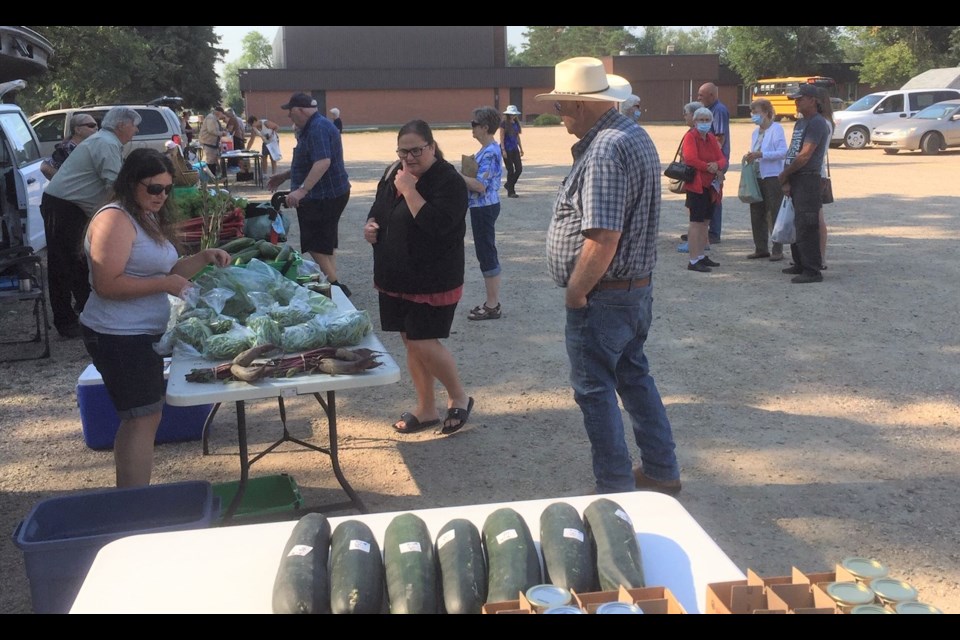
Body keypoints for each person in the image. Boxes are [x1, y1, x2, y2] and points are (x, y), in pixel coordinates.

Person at [538, 57, 681, 495]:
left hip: (605, 295)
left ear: (580, 105)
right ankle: (660, 470)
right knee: (634, 376)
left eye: (561, 106)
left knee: (595, 391)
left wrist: (576, 293)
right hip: (632, 291)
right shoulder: (632, 135)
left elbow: (603, 237)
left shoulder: (604, 149)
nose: (559, 116)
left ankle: (615, 488)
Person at [79, 148, 231, 487]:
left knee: (142, 418)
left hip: (139, 333)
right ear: (131, 183)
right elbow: (107, 284)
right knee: (141, 418)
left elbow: (169, 269)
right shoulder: (114, 219)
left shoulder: (144, 215)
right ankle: (134, 504)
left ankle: (130, 498)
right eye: (154, 188)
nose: (161, 196)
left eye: (167, 189)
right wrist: (165, 284)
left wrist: (205, 257)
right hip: (116, 335)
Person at [363, 120, 473, 436]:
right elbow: (378, 209)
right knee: (410, 342)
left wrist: (410, 190)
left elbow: (438, 226)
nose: (409, 158)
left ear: (432, 147)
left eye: (416, 151)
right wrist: (371, 226)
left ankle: (459, 396)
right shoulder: (392, 172)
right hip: (395, 275)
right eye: (403, 151)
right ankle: (426, 408)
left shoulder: (448, 181)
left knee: (424, 341)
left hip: (433, 278)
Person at [41, 106, 141, 338]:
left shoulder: (107, 141)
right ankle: (65, 321)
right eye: (134, 125)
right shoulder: (105, 143)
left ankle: (85, 314)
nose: (136, 130)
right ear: (121, 125)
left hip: (74, 207)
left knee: (80, 262)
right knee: (62, 264)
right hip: (64, 206)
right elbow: (116, 185)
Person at [268, 93, 352, 296]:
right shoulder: (314, 126)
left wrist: (301, 190)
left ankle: (336, 286)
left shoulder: (317, 128)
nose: (289, 116)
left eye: (290, 111)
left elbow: (323, 162)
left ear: (300, 110)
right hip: (329, 193)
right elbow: (309, 161)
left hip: (323, 195)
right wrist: (285, 176)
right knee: (326, 243)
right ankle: (332, 283)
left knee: (314, 243)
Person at [778, 83, 831, 283]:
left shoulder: (817, 123)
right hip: (797, 177)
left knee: (808, 224)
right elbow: (793, 152)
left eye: (800, 99)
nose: (796, 102)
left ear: (813, 100)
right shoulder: (800, 123)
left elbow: (805, 155)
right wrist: (788, 179)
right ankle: (799, 262)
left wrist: (784, 174)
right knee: (797, 222)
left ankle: (812, 270)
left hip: (808, 177)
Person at [462, 106, 504, 320]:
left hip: (484, 207)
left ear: (485, 127)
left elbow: (480, 186)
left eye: (474, 124)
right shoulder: (486, 150)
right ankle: (492, 302)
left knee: (486, 253)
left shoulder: (489, 152)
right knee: (485, 251)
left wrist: (455, 176)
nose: (472, 128)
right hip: (483, 207)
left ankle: (492, 304)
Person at [681, 107, 727, 273]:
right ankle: (693, 260)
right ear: (695, 121)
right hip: (697, 186)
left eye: (707, 120)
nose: (704, 123)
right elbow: (691, 159)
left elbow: (721, 158)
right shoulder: (690, 137)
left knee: (705, 223)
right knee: (696, 223)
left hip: (711, 187)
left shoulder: (710, 138)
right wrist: (710, 167)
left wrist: (717, 165)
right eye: (701, 120)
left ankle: (701, 255)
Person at [743, 98, 788, 261]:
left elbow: (783, 151)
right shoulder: (755, 132)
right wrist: (751, 156)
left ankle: (777, 249)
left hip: (772, 176)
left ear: (767, 113)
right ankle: (760, 247)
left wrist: (762, 155)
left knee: (774, 212)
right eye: (752, 112)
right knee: (756, 211)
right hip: (756, 176)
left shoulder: (777, 129)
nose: (753, 115)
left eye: (756, 112)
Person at [697, 82, 730, 244]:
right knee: (705, 196)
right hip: (710, 163)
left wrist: (716, 164)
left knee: (715, 197)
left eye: (701, 95)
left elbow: (720, 137)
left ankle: (714, 233)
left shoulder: (719, 111)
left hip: (716, 162)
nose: (698, 98)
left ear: (711, 95)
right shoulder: (709, 110)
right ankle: (702, 230)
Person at [40, 113, 99, 180]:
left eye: (97, 125)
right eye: (91, 125)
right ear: (78, 130)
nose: (96, 128)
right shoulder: (67, 149)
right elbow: (44, 167)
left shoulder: (88, 146)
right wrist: (65, 182)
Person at [817, 87, 834, 269]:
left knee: (817, 217)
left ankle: (821, 257)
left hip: (817, 173)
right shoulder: (826, 121)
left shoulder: (822, 122)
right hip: (818, 172)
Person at [499, 105, 523, 198]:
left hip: (514, 148)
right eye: (511, 114)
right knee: (510, 170)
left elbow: (517, 136)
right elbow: (501, 137)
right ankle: (511, 191)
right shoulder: (504, 124)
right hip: (507, 149)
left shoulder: (515, 123)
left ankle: (508, 185)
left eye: (514, 114)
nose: (513, 116)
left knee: (519, 169)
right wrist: (503, 150)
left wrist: (521, 148)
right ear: (508, 114)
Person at [199, 106, 226, 176]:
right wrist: (221, 133)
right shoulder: (211, 118)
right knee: (210, 161)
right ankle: (210, 177)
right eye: (222, 114)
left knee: (214, 160)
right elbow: (211, 130)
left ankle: (213, 176)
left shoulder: (215, 118)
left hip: (212, 143)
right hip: (208, 142)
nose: (221, 116)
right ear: (219, 112)